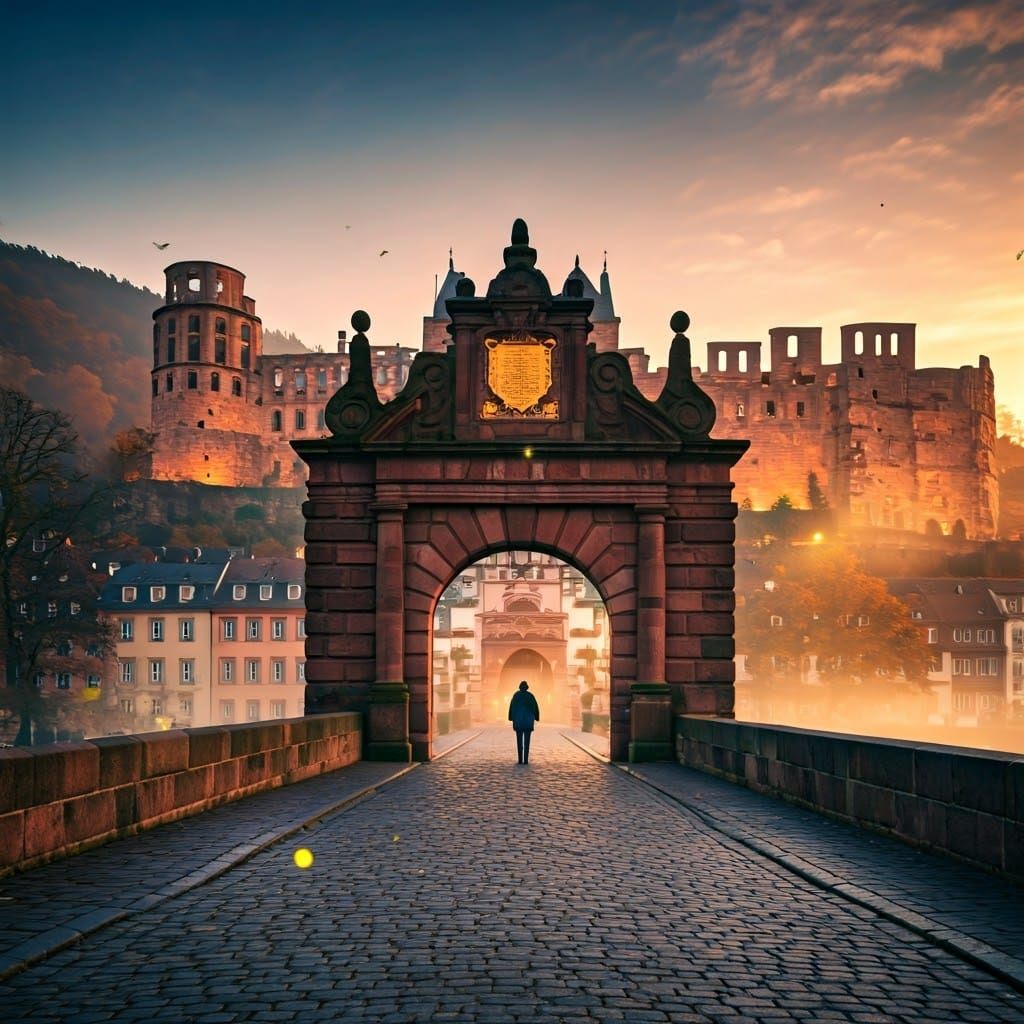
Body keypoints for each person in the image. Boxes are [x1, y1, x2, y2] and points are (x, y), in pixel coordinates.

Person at [508, 680, 540, 764]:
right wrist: (536, 717)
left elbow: (512, 707)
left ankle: (520, 759)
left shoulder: (516, 695)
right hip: (528, 722)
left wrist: (511, 717)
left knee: (519, 742)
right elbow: (535, 707)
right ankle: (525, 760)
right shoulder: (530, 696)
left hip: (518, 722)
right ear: (527, 688)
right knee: (527, 742)